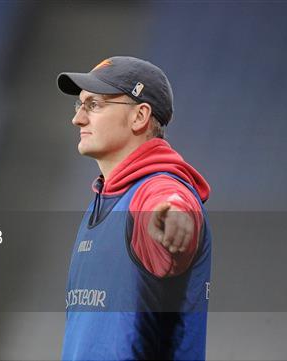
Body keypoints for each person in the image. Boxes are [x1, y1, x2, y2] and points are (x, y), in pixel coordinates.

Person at [57, 56, 212, 360]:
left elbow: (171, 201)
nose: (78, 119)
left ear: (139, 116)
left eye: (94, 105)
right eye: (79, 105)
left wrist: (176, 215)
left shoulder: (155, 191)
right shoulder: (106, 199)